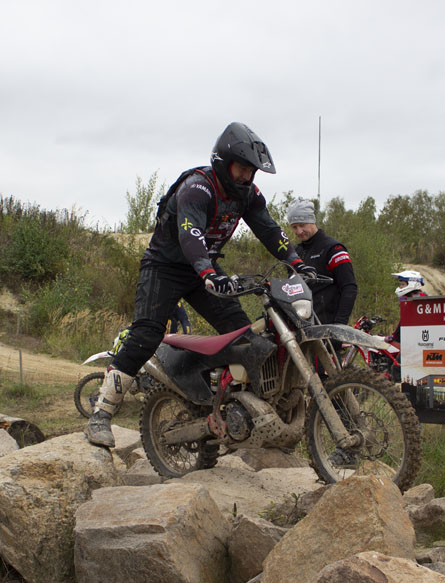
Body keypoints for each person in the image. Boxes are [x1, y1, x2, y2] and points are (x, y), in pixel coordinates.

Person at [85, 122, 313, 448]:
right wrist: (208, 272)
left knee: (244, 336)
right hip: (165, 267)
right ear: (223, 162)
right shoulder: (197, 188)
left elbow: (268, 229)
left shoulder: (248, 195)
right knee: (146, 333)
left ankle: (233, 412)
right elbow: (190, 233)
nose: (247, 177)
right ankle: (101, 414)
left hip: (204, 268)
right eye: (242, 169)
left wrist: (297, 262)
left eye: (251, 171)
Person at [287, 199, 357, 326]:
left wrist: (340, 324)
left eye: (302, 225)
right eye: (294, 227)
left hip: (328, 325)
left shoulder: (333, 249)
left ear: (312, 221)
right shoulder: (295, 253)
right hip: (302, 325)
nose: (299, 231)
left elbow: (349, 287)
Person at [384, 270, 427, 343]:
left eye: (403, 284)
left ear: (412, 284)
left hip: (417, 339)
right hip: (415, 337)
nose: (400, 287)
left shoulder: (418, 299)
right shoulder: (412, 297)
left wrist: (394, 337)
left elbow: (405, 320)